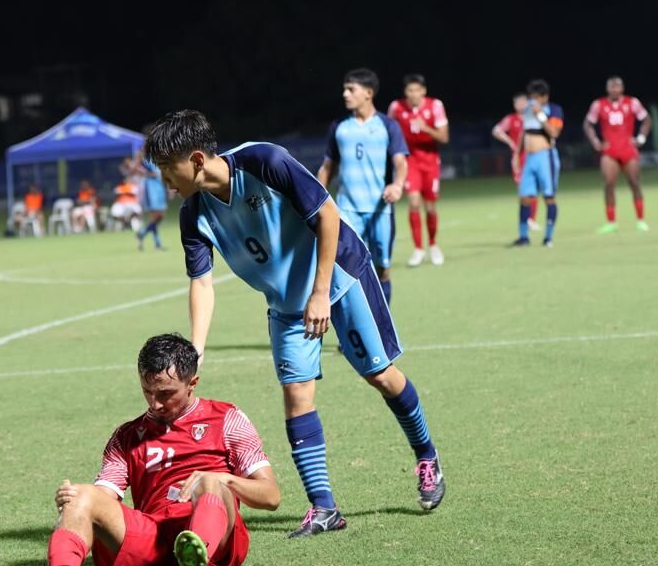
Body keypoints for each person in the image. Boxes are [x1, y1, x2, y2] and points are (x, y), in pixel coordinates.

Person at [146, 110, 445, 540]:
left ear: (195, 159)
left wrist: (320, 293)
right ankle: (325, 508)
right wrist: (196, 350)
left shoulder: (264, 161)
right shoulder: (193, 214)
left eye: (166, 168)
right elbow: (202, 283)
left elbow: (328, 216)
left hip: (340, 277)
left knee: (380, 375)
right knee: (296, 394)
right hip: (286, 302)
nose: (164, 181)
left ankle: (427, 456)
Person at [5, 333, 280, 566]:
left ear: (192, 383)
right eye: (147, 392)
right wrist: (73, 503)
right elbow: (103, 498)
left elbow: (271, 496)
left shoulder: (226, 419)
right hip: (153, 539)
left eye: (166, 393)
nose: (155, 404)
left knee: (210, 482)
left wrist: (222, 479)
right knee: (82, 494)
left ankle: (196, 557)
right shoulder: (127, 436)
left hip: (216, 541)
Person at [317, 68, 408, 304]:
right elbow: (327, 167)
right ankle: (353, 325)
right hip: (347, 211)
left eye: (351, 89)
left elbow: (400, 162)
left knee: (382, 269)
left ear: (368, 93)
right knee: (347, 271)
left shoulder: (388, 126)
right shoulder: (339, 126)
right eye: (345, 89)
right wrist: (315, 201)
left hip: (380, 210)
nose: (345, 94)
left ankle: (382, 321)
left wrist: (397, 185)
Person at [387, 74, 450, 266]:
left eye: (417, 90)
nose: (413, 94)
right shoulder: (396, 107)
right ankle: (418, 249)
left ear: (423, 91)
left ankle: (433, 244)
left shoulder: (435, 106)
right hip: (409, 161)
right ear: (405, 92)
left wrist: (426, 128)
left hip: (430, 162)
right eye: (410, 90)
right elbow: (388, 131)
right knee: (414, 202)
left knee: (430, 207)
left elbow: (444, 137)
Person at [583, 76, 652, 233]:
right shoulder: (598, 105)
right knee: (608, 185)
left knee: (635, 183)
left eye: (617, 86)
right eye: (612, 87)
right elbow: (587, 124)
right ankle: (611, 222)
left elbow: (647, 120)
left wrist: (641, 138)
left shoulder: (632, 102)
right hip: (610, 151)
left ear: (622, 88)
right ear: (607, 88)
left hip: (628, 150)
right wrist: (595, 142)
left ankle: (641, 220)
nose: (614, 89)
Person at [512, 79, 563, 247]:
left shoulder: (554, 110)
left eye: (536, 97)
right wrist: (517, 154)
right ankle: (523, 237)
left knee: (549, 197)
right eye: (531, 97)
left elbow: (554, 133)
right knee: (525, 198)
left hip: (546, 157)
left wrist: (540, 115)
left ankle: (548, 237)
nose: (533, 101)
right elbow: (524, 132)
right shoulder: (527, 110)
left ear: (544, 97)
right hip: (530, 158)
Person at [492, 93, 540, 231]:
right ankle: (525, 219)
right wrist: (510, 142)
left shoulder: (533, 117)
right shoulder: (511, 119)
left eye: (523, 102)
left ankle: (531, 219)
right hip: (519, 158)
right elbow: (496, 130)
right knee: (523, 189)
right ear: (514, 105)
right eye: (518, 103)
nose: (521, 105)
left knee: (534, 189)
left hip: (534, 155)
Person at [137, 156, 169, 251]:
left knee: (159, 217)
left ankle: (142, 234)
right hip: (152, 189)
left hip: (159, 188)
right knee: (156, 216)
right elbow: (142, 166)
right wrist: (148, 173)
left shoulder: (158, 157)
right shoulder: (148, 159)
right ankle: (157, 244)